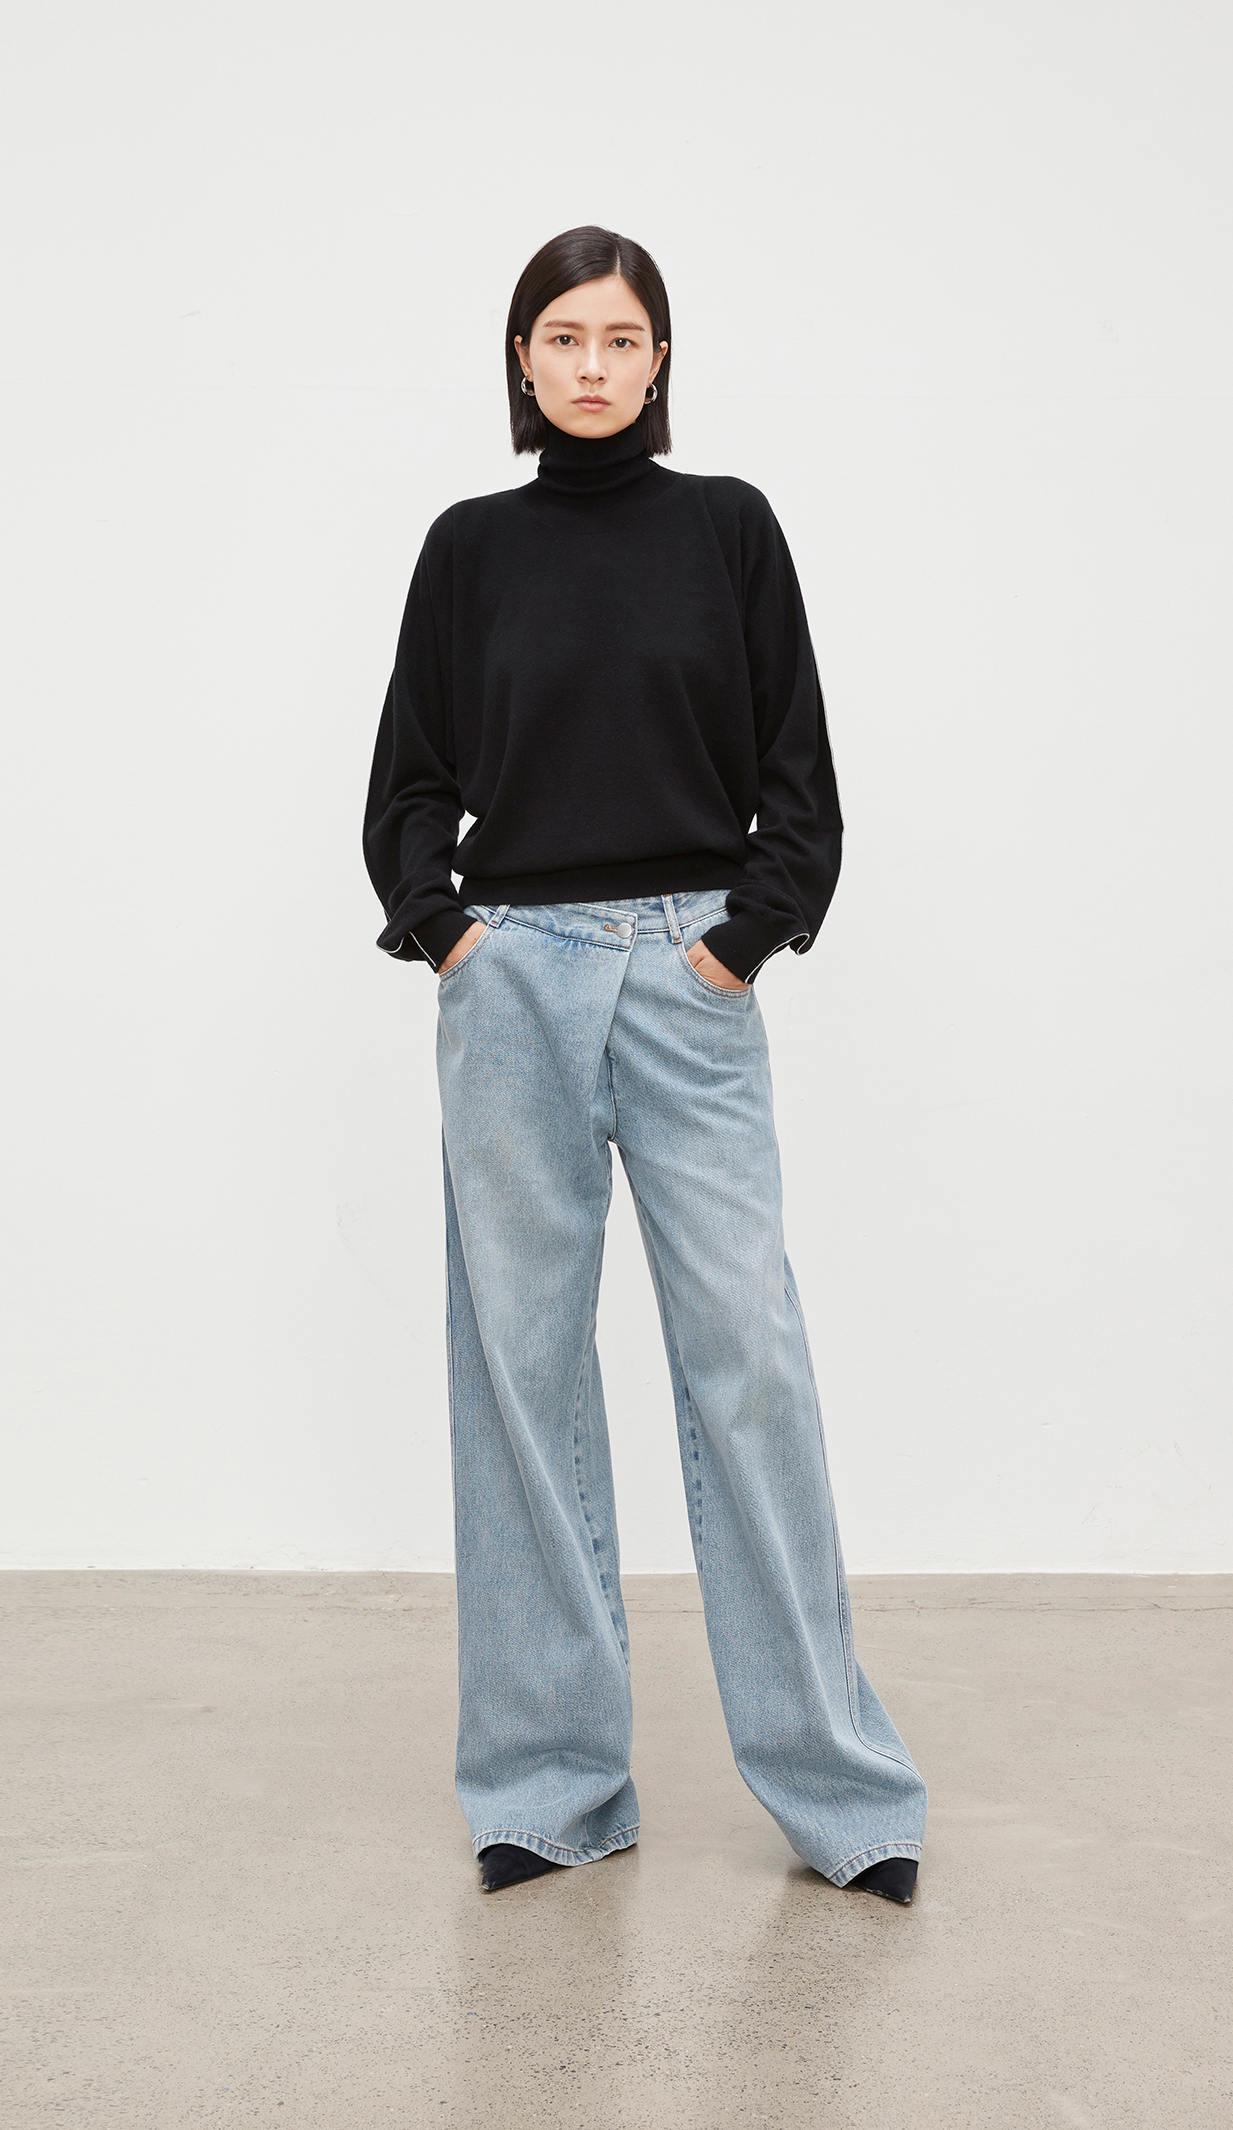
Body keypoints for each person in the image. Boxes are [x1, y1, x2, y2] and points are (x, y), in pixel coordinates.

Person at [362, 225, 926, 1906]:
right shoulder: (469, 550)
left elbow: (799, 777)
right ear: (522, 361)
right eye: (563, 336)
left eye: (621, 337)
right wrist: (451, 935)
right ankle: (550, 1786)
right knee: (520, 1370)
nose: (592, 364)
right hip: (514, 984)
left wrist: (739, 942)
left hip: (691, 979)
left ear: (661, 360)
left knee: (747, 1356)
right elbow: (407, 782)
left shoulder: (728, 529)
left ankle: (843, 1791)